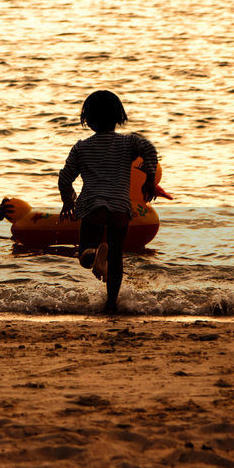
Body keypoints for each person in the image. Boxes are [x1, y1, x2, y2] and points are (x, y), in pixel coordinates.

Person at [58, 90, 159, 314]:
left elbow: (65, 178)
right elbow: (150, 150)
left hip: (93, 206)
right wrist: (149, 180)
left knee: (84, 253)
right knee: (116, 257)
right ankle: (111, 303)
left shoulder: (81, 148)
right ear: (118, 118)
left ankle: (94, 254)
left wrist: (68, 201)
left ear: (88, 120)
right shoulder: (128, 143)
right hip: (120, 207)